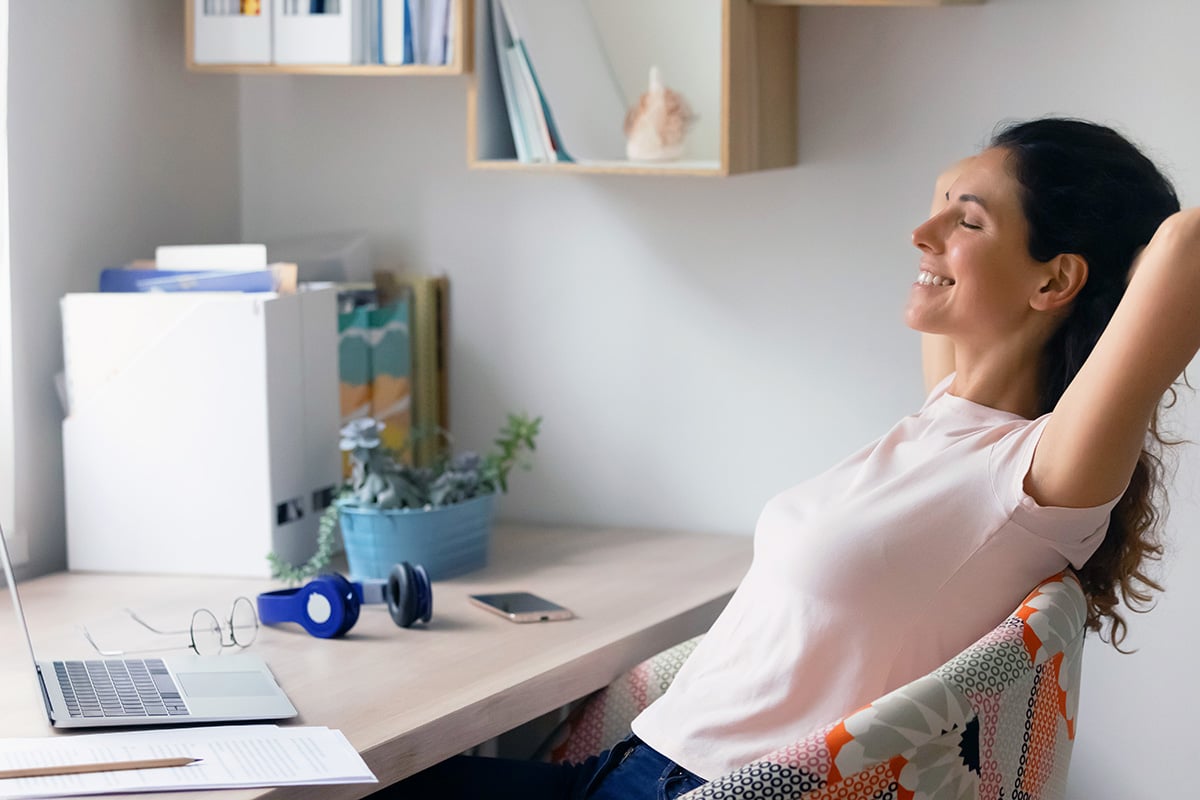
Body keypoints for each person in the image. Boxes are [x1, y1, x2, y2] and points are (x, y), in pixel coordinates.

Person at [389, 117, 1199, 799]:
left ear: (1056, 279)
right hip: (630, 767)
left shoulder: (1036, 479)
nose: (922, 234)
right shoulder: (946, 411)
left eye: (967, 221)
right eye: (938, 209)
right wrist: (970, 214)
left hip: (696, 787)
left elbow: (1185, 246)